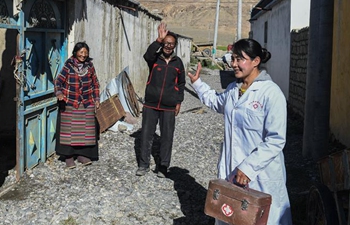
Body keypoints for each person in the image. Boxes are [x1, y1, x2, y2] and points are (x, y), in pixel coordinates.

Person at [188, 38, 293, 224]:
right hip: (231, 170)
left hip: (261, 174)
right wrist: (197, 83)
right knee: (231, 215)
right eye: (233, 59)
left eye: (240, 59)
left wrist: (248, 167)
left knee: (262, 218)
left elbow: (276, 140)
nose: (234, 64)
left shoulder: (271, 93)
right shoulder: (232, 89)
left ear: (256, 61)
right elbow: (215, 101)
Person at [136, 22, 186, 178]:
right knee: (146, 135)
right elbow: (147, 55)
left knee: (167, 136)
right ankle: (143, 165)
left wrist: (178, 101)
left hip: (169, 106)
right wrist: (158, 39)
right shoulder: (154, 59)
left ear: (175, 46)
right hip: (151, 104)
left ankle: (163, 166)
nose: (168, 46)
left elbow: (181, 83)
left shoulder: (178, 63)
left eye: (171, 44)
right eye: (166, 43)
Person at [54, 42, 100, 169]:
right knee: (69, 132)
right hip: (70, 102)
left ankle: (82, 155)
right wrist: (59, 93)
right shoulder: (68, 66)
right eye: (81, 52)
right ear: (75, 52)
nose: (83, 55)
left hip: (86, 103)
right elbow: (58, 81)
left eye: (85, 52)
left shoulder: (90, 66)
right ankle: (68, 157)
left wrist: (96, 98)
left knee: (86, 131)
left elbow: (95, 83)